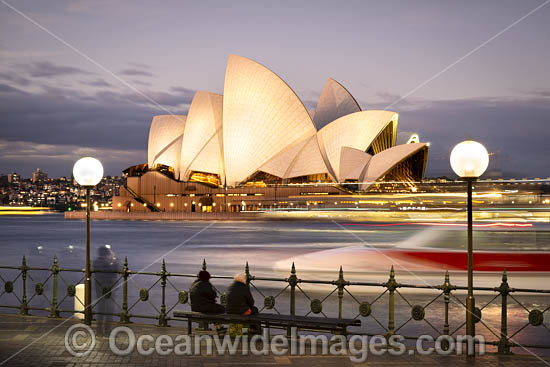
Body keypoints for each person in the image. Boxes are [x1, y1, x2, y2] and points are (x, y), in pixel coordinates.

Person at [93, 245, 121, 337]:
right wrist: (114, 256)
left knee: (100, 309)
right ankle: (107, 330)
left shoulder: (96, 262)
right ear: (107, 254)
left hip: (99, 288)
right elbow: (118, 267)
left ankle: (99, 330)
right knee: (109, 309)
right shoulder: (110, 263)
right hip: (109, 288)